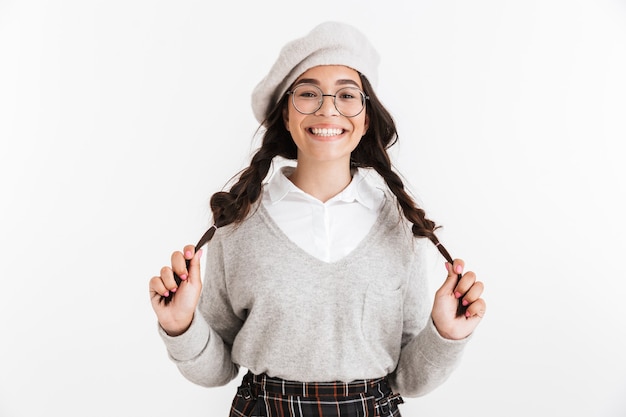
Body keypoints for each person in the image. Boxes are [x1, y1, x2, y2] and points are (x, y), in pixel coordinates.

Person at [149, 21, 486, 417]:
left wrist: (446, 333)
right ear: (286, 117)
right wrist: (180, 325)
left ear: (365, 119)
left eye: (347, 95)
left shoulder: (398, 228)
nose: (328, 108)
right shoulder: (238, 226)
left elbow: (407, 379)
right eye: (308, 94)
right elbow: (217, 368)